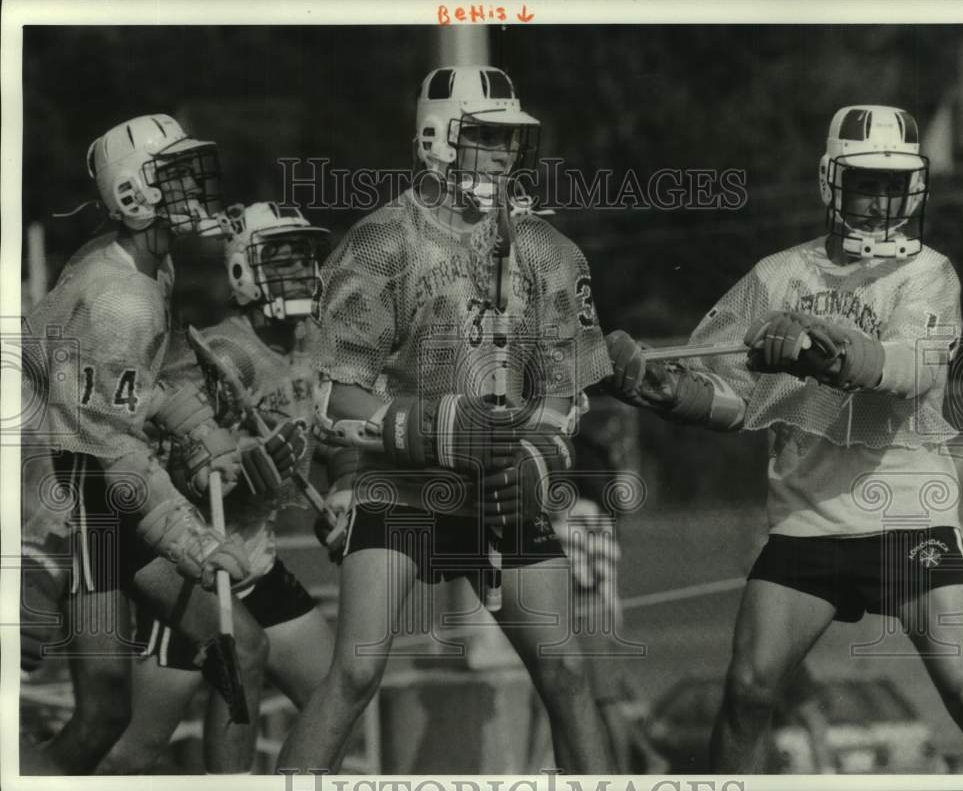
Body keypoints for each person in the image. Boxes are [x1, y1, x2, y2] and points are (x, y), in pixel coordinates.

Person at [602, 105, 963, 773]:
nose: (879, 201)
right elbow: (731, 399)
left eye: (892, 186)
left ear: (915, 189)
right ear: (831, 181)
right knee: (746, 692)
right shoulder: (776, 278)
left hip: (908, 517)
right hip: (809, 521)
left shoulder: (930, 274)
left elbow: (903, 369)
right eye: (864, 182)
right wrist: (669, 395)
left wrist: (820, 352)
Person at [278, 65, 614, 773]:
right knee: (356, 672)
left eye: (508, 140)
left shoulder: (547, 251)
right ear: (437, 140)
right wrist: (428, 427)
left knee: (568, 673)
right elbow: (333, 395)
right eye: (485, 138)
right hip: (401, 487)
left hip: (498, 486)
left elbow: (566, 390)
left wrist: (539, 460)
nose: (502, 156)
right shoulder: (379, 244)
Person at [21, 115, 282, 773]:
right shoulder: (124, 299)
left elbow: (128, 387)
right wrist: (197, 544)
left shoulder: (143, 260)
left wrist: (196, 423)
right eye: (177, 175)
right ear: (134, 196)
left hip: (101, 476)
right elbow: (117, 455)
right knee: (102, 712)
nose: (197, 187)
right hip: (80, 495)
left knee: (241, 648)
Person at [98, 202, 337, 773]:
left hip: (257, 553)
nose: (301, 273)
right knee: (138, 748)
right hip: (197, 561)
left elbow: (322, 432)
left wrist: (346, 487)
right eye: (282, 260)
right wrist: (238, 470)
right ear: (243, 271)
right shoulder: (223, 353)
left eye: (304, 258)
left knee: (338, 698)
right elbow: (174, 468)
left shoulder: (310, 343)